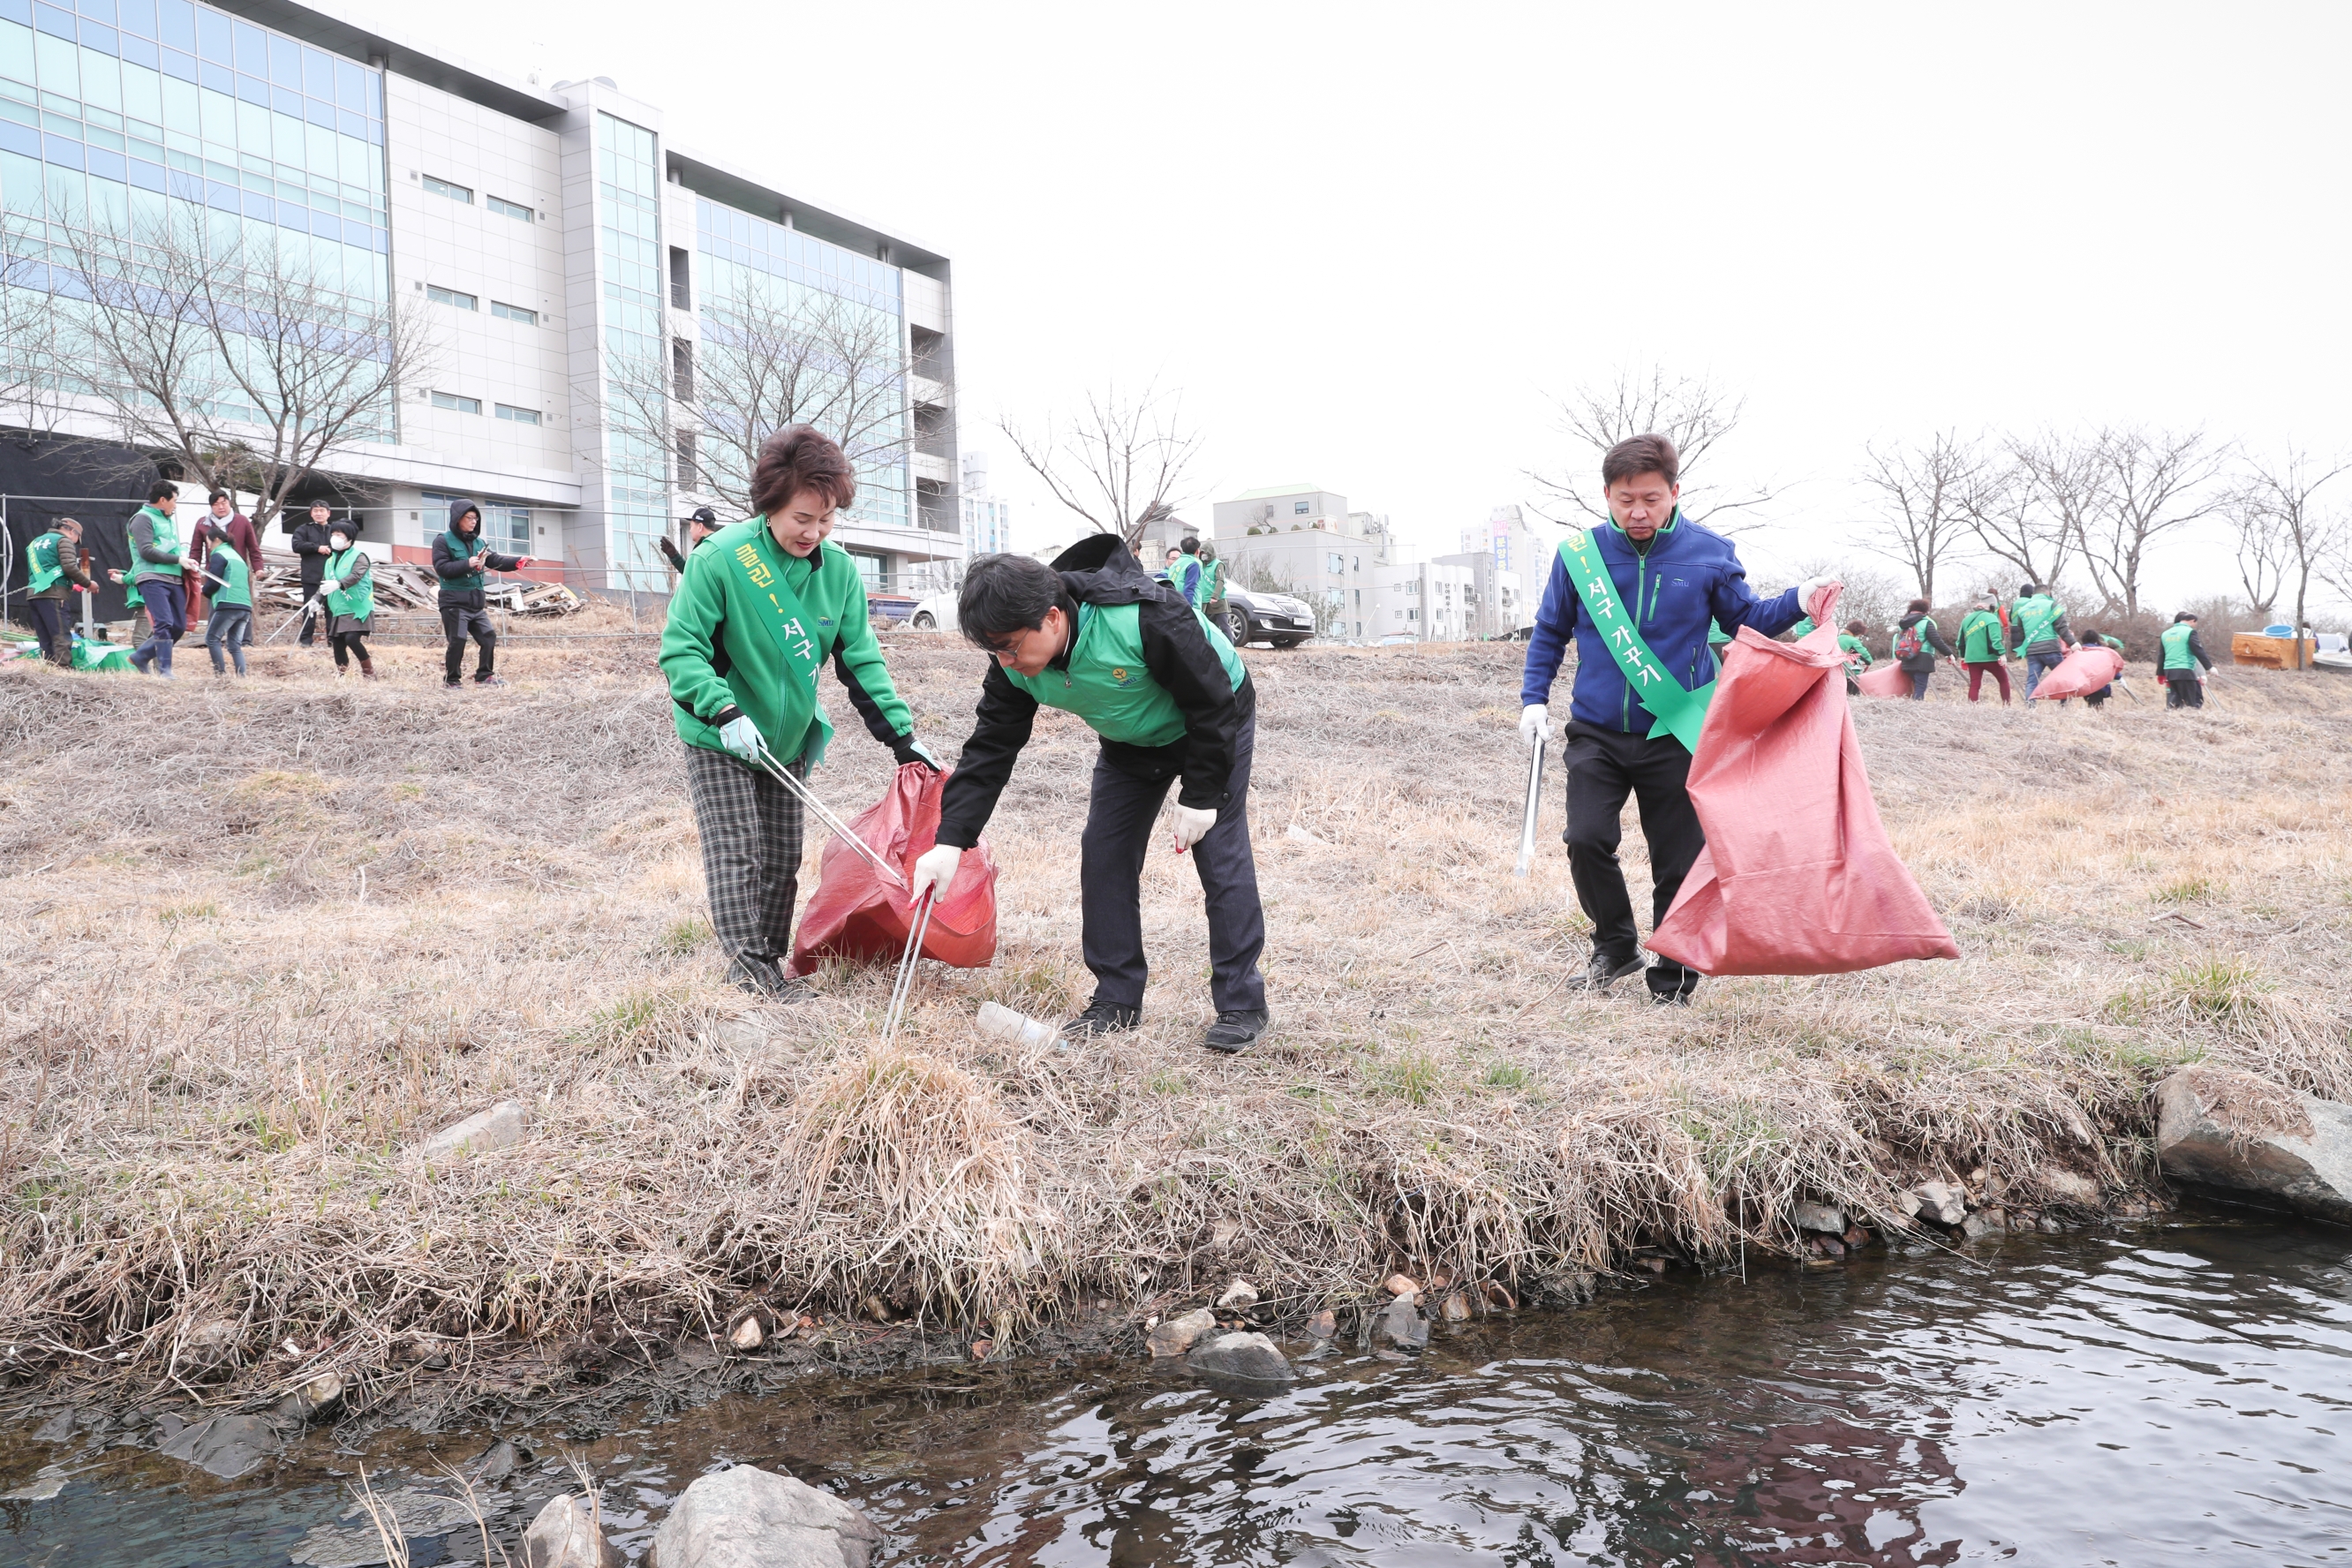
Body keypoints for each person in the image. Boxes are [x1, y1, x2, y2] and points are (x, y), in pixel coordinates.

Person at [910, 536, 1270, 1051]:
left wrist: (1202, 794)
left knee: (1219, 851)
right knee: (1104, 852)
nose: (1005, 661)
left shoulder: (1144, 617)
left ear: (1053, 618)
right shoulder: (1012, 663)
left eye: (1011, 647)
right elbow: (991, 747)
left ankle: (1242, 1004)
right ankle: (1116, 999)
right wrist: (951, 840)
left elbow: (1212, 703)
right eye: (995, 651)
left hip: (1213, 719)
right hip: (1130, 743)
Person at [1519, 433, 1825, 1005]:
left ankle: (1674, 978)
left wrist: (1798, 599)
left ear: (1675, 493)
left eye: (1651, 499)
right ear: (1607, 496)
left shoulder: (1709, 552)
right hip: (1596, 730)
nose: (1638, 512)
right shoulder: (1579, 556)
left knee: (1677, 861)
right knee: (1585, 838)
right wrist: (1533, 699)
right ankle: (1615, 945)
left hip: (1677, 732)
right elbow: (1550, 632)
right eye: (1625, 500)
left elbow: (1745, 621)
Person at [659, 426, 940, 999]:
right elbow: (681, 651)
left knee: (782, 858)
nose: (814, 532)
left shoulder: (838, 573)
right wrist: (722, 711)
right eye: (802, 518)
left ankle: (769, 962)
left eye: (827, 519)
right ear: (770, 507)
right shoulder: (721, 559)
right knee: (738, 851)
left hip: (786, 740)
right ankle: (750, 976)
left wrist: (903, 737)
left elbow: (860, 660)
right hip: (722, 732)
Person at [432, 498, 533, 689]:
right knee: (458, 640)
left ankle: (484, 676)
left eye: (476, 519)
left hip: (476, 604)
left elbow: (495, 560)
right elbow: (441, 568)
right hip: (454, 602)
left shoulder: (479, 542)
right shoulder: (443, 541)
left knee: (488, 637)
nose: (473, 522)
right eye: (469, 518)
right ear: (458, 518)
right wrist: (467, 563)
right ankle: (452, 680)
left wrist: (518, 561)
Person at [125, 481, 195, 677]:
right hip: (152, 577)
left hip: (174, 577)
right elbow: (146, 551)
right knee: (164, 622)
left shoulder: (168, 520)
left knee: (179, 625)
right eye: (174, 500)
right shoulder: (142, 518)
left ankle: (141, 656)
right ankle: (165, 670)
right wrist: (178, 559)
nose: (175, 505)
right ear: (163, 500)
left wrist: (185, 559)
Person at [22, 516, 94, 667]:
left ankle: (49, 668)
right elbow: (69, 567)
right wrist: (88, 584)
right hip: (54, 594)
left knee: (45, 636)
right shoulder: (63, 541)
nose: (75, 542)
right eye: (77, 538)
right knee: (60, 634)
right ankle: (63, 668)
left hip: (34, 594)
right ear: (72, 531)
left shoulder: (34, 543)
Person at [204, 491, 261, 649]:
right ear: (211, 507)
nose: (221, 507)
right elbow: (195, 549)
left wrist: (258, 568)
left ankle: (246, 641)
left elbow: (253, 547)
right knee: (214, 603)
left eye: (224, 503)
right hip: (214, 568)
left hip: (238, 570)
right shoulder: (203, 523)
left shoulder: (242, 521)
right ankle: (214, 640)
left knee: (241, 603)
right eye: (216, 504)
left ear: (229, 503)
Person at [320, 522, 377, 679]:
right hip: (339, 607)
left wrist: (339, 584)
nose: (335, 538)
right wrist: (316, 599)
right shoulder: (330, 561)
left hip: (357, 606)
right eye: (333, 534)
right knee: (337, 642)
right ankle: (342, 675)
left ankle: (369, 672)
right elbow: (325, 582)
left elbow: (356, 575)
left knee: (351, 638)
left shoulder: (359, 557)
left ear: (349, 537)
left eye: (339, 535)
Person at [200, 531, 253, 676]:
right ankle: (242, 676)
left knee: (212, 638)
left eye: (208, 541)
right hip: (245, 605)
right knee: (235, 645)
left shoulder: (219, 555)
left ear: (216, 539)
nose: (208, 545)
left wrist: (204, 591)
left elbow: (214, 581)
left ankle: (220, 675)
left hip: (228, 602)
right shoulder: (238, 557)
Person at [2009, 582, 2074, 697]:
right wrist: (2073, 643)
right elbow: (2062, 628)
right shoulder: (2052, 605)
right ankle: (2064, 704)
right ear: (2048, 593)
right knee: (2062, 678)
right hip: (2051, 649)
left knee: (2032, 682)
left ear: (2033, 594)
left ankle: (2030, 705)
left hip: (2032, 651)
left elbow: (2022, 634)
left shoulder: (2023, 610)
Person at [288, 501, 338, 646]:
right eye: (315, 511)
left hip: (332, 577)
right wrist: (317, 548)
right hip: (311, 576)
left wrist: (331, 549)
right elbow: (296, 545)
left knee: (332, 610)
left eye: (322, 510)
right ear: (311, 513)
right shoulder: (304, 529)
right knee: (310, 609)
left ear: (328, 513)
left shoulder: (335, 530)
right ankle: (306, 640)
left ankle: (333, 641)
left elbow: (345, 546)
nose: (319, 513)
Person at [1892, 599, 1955, 700]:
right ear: (1925, 610)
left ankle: (1911, 705)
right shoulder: (1926, 622)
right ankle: (1917, 706)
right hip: (1923, 657)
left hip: (1906, 657)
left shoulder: (1903, 624)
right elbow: (1936, 640)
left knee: (1913, 685)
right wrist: (1949, 654)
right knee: (1920, 686)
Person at [1956, 593, 2012, 705]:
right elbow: (1995, 640)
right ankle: (2006, 705)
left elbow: (1960, 642)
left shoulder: (1966, 619)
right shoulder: (1992, 618)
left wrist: (1963, 656)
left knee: (1975, 684)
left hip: (1972, 658)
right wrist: (2002, 654)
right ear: (1992, 605)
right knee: (2003, 680)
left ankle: (1972, 708)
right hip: (1989, 657)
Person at [2159, 611, 2212, 708]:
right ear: (2192, 621)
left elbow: (2162, 655)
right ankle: (2189, 715)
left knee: (2175, 702)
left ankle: (2174, 714)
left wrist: (2160, 673)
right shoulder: (2190, 632)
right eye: (2195, 623)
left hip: (2169, 671)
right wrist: (2209, 668)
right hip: (2185, 671)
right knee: (2191, 703)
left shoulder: (2165, 634)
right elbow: (2198, 651)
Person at [659, 505, 723, 571]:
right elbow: (693, 572)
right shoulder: (720, 544)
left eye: (691, 527)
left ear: (700, 527)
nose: (690, 531)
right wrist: (675, 557)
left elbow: (694, 574)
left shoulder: (704, 549)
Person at [2077, 627, 2126, 709]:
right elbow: (2110, 666)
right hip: (2099, 684)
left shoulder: (2079, 651)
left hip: (2085, 684)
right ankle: (2096, 715)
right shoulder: (2102, 651)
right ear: (2096, 639)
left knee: (2092, 703)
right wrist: (2119, 677)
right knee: (2096, 706)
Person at [1836, 618, 1873, 694]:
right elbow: (1865, 656)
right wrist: (1868, 662)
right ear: (1858, 632)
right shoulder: (1853, 641)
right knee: (1854, 695)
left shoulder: (1837, 638)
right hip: (1849, 673)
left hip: (1835, 673)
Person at [1198, 539, 1228, 632]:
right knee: (1207, 628)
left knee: (1224, 627)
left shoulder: (1218, 564)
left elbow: (1220, 580)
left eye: (1205, 553)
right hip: (1204, 602)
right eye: (1201, 553)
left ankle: (1229, 642)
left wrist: (1215, 596)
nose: (1203, 555)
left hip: (1218, 602)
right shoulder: (1201, 565)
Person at [1172, 535, 1206, 607]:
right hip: (1189, 605)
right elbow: (1190, 587)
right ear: (1197, 551)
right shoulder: (1194, 563)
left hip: (1174, 603)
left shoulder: (1176, 563)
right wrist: (1188, 609)